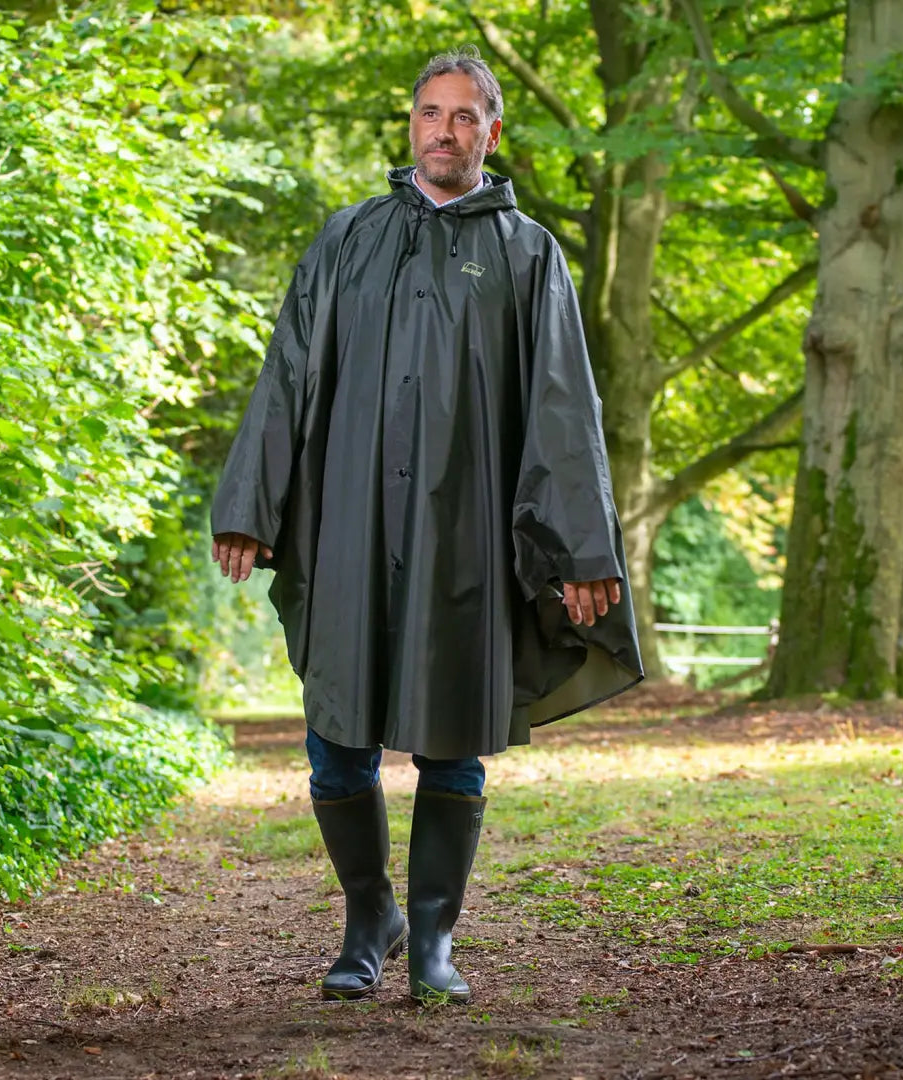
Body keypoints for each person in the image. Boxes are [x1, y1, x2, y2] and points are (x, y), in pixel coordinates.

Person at [210, 46, 642, 1004]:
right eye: (428, 114)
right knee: (336, 735)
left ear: (492, 131)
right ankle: (370, 921)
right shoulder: (347, 238)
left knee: (454, 733)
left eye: (463, 117)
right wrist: (251, 503)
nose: (443, 132)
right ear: (411, 126)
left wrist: (578, 547)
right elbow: (287, 373)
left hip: (468, 534)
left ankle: (433, 942)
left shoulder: (528, 254)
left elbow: (564, 404)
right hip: (349, 526)